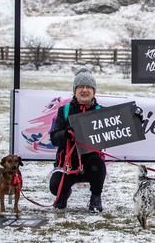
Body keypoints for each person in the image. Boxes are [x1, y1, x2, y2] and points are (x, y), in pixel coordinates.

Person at [49, 68, 105, 212]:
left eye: (88, 87)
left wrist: (135, 119)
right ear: (75, 90)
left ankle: (96, 199)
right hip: (67, 163)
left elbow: (120, 128)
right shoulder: (64, 110)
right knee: (55, 186)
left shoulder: (101, 111)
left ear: (94, 91)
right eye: (80, 87)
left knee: (98, 164)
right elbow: (54, 138)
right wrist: (66, 134)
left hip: (91, 163)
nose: (84, 90)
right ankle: (64, 193)